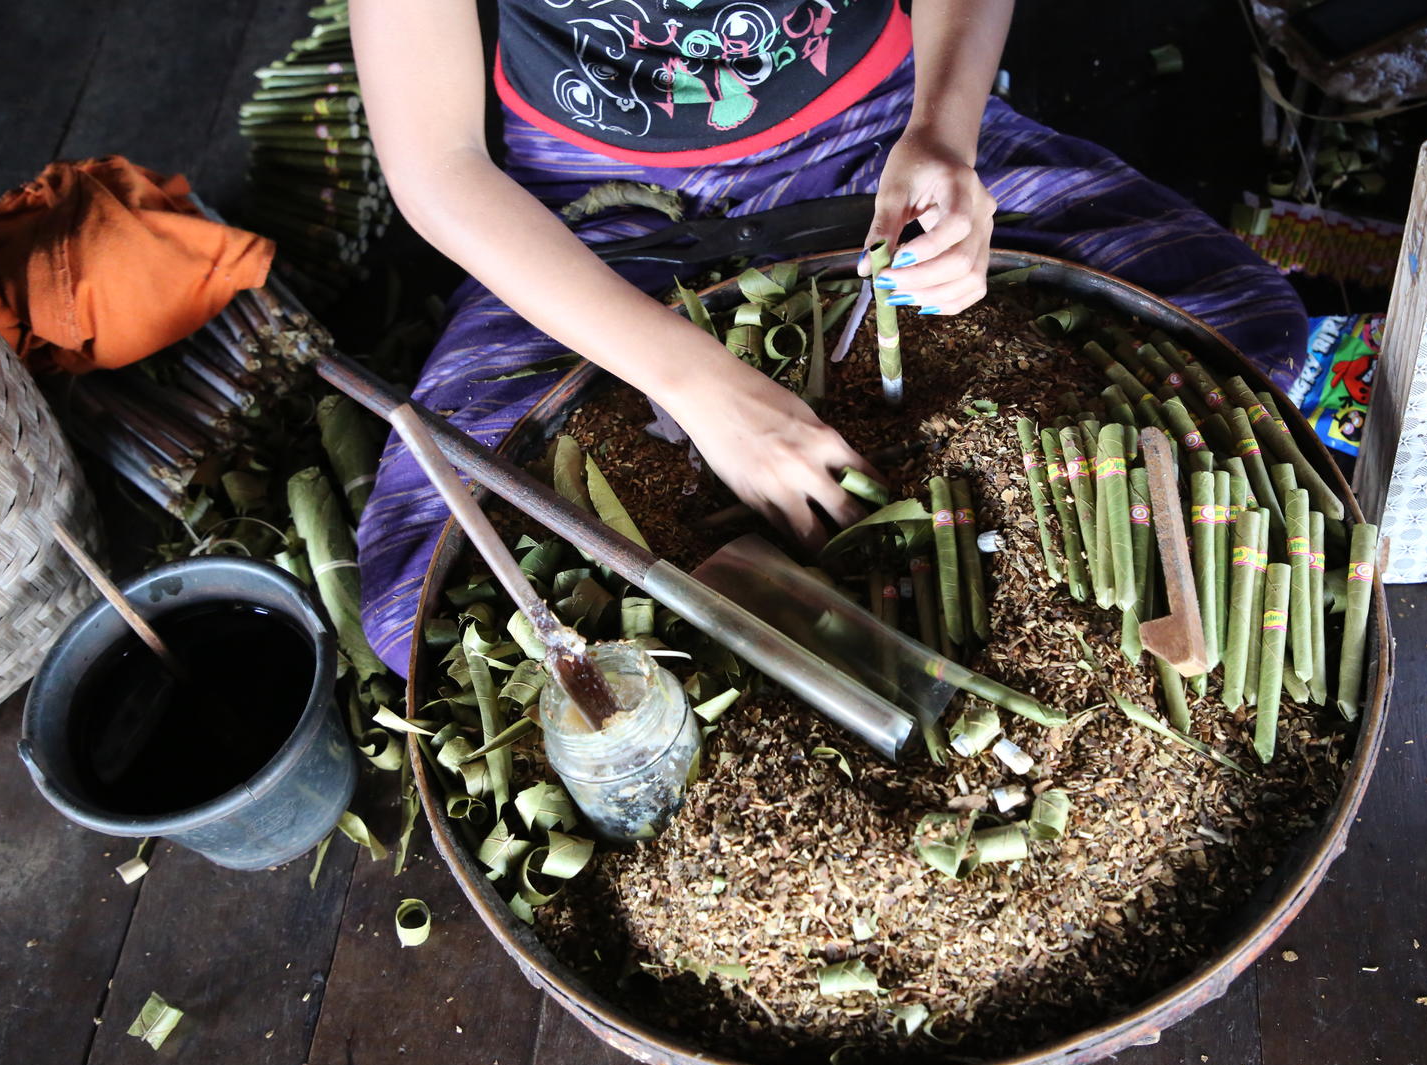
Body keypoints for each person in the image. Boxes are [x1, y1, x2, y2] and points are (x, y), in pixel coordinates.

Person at [350, 0, 1308, 672]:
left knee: (1244, 329)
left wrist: (944, 134)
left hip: (873, 121)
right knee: (414, 604)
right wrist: (702, 387)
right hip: (591, 199)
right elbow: (437, 167)